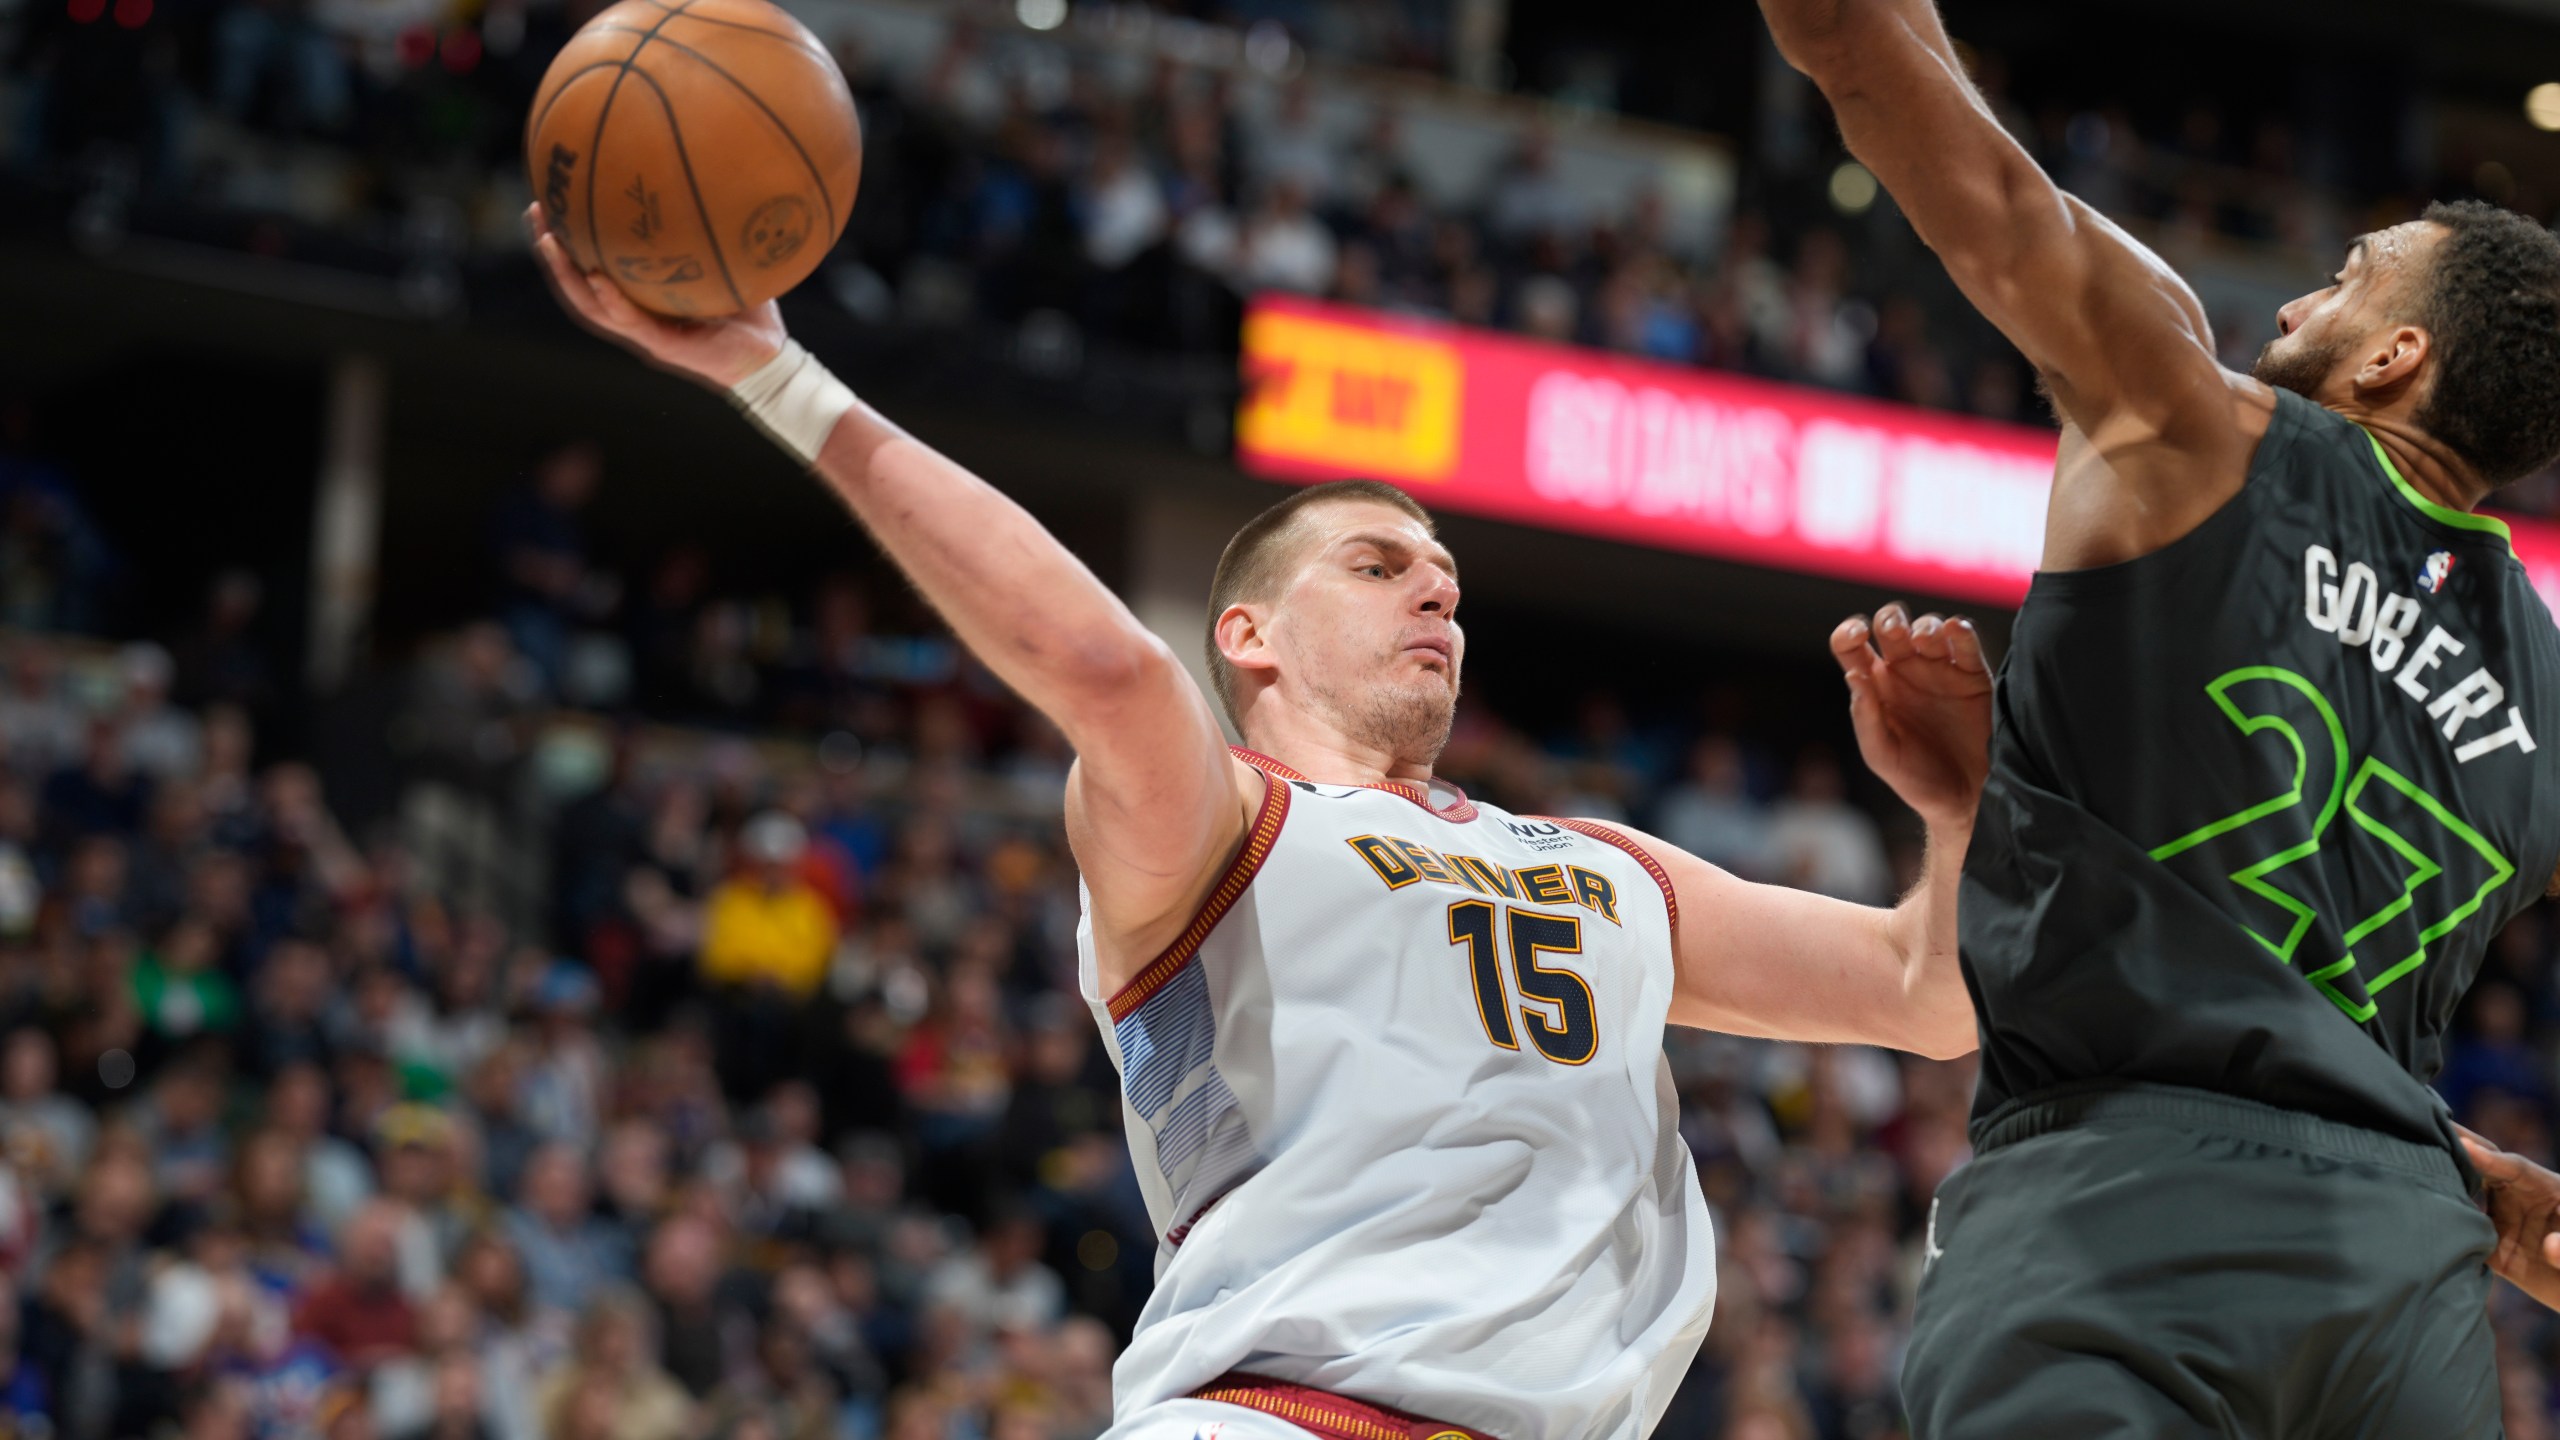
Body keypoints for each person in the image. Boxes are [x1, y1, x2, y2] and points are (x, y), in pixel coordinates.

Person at [525, 198, 1986, 1440]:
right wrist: (782, 379)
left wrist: (1956, 805)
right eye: (1377, 563)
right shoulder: (1222, 819)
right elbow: (1101, 665)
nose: (1437, 590)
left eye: (1447, 576)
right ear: (1250, 636)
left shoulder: (1605, 864)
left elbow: (1930, 995)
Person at [1753, 2, 2560, 1434]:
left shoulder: (2195, 422)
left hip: (2122, 1217)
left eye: (2347, 279)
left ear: (2393, 360)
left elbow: (1921, 118)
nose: (2301, 301)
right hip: (2408, 1290)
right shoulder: (2548, 695)